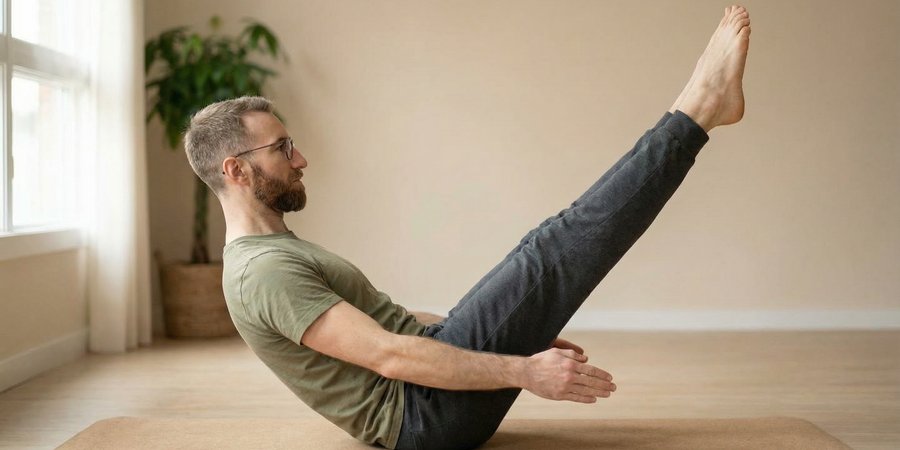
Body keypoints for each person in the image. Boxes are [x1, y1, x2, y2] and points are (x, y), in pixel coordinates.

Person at [183, 5, 750, 449]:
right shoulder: (263, 273)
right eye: (282, 148)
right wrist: (525, 370)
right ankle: (700, 106)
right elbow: (388, 356)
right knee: (552, 249)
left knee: (548, 247)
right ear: (235, 169)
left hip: (428, 395)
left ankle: (700, 109)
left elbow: (396, 327)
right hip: (427, 416)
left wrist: (524, 333)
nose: (300, 157)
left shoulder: (271, 252)